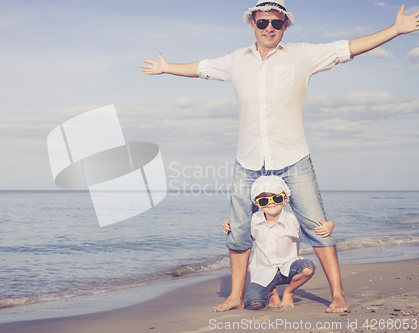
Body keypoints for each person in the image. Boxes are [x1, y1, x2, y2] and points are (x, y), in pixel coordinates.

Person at [141, 0, 419, 313]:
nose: (269, 28)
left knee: (316, 227)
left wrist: (396, 30)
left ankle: (338, 294)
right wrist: (167, 68)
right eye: (263, 23)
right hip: (248, 161)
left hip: (293, 158)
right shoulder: (236, 60)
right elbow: (201, 69)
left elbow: (349, 48)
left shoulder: (302, 55)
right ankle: (235, 295)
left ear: (285, 25)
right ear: (252, 24)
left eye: (276, 23)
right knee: (239, 230)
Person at [222, 176, 334, 309]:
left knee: (308, 268)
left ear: (285, 199)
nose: (271, 203)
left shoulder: (293, 220)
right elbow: (241, 234)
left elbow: (313, 229)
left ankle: (289, 291)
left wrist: (330, 225)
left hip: (288, 268)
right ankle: (271, 291)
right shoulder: (254, 220)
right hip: (263, 271)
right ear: (256, 203)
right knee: (254, 303)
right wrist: (228, 224)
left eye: (277, 198)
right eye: (264, 200)